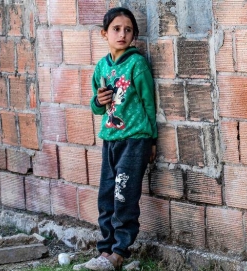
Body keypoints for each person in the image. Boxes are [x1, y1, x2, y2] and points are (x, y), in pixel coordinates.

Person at [84, 6, 157, 271]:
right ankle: (104, 251)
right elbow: (96, 106)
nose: (122, 34)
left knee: (124, 194)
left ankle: (119, 253)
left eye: (128, 30)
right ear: (104, 33)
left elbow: (150, 103)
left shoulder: (136, 64)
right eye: (116, 29)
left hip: (135, 139)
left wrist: (152, 140)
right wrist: (97, 100)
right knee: (106, 195)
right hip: (110, 139)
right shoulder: (102, 66)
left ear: (134, 35)